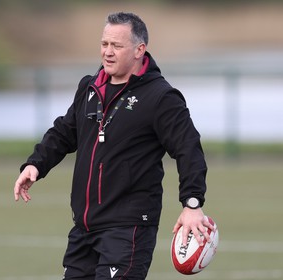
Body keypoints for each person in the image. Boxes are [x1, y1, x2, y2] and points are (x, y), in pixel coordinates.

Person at [14, 12, 212, 280]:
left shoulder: (161, 97)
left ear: (139, 50)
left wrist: (192, 203)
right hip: (84, 229)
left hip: (128, 230)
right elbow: (64, 132)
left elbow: (188, 147)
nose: (107, 52)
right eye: (104, 44)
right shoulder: (89, 87)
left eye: (116, 46)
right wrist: (35, 164)